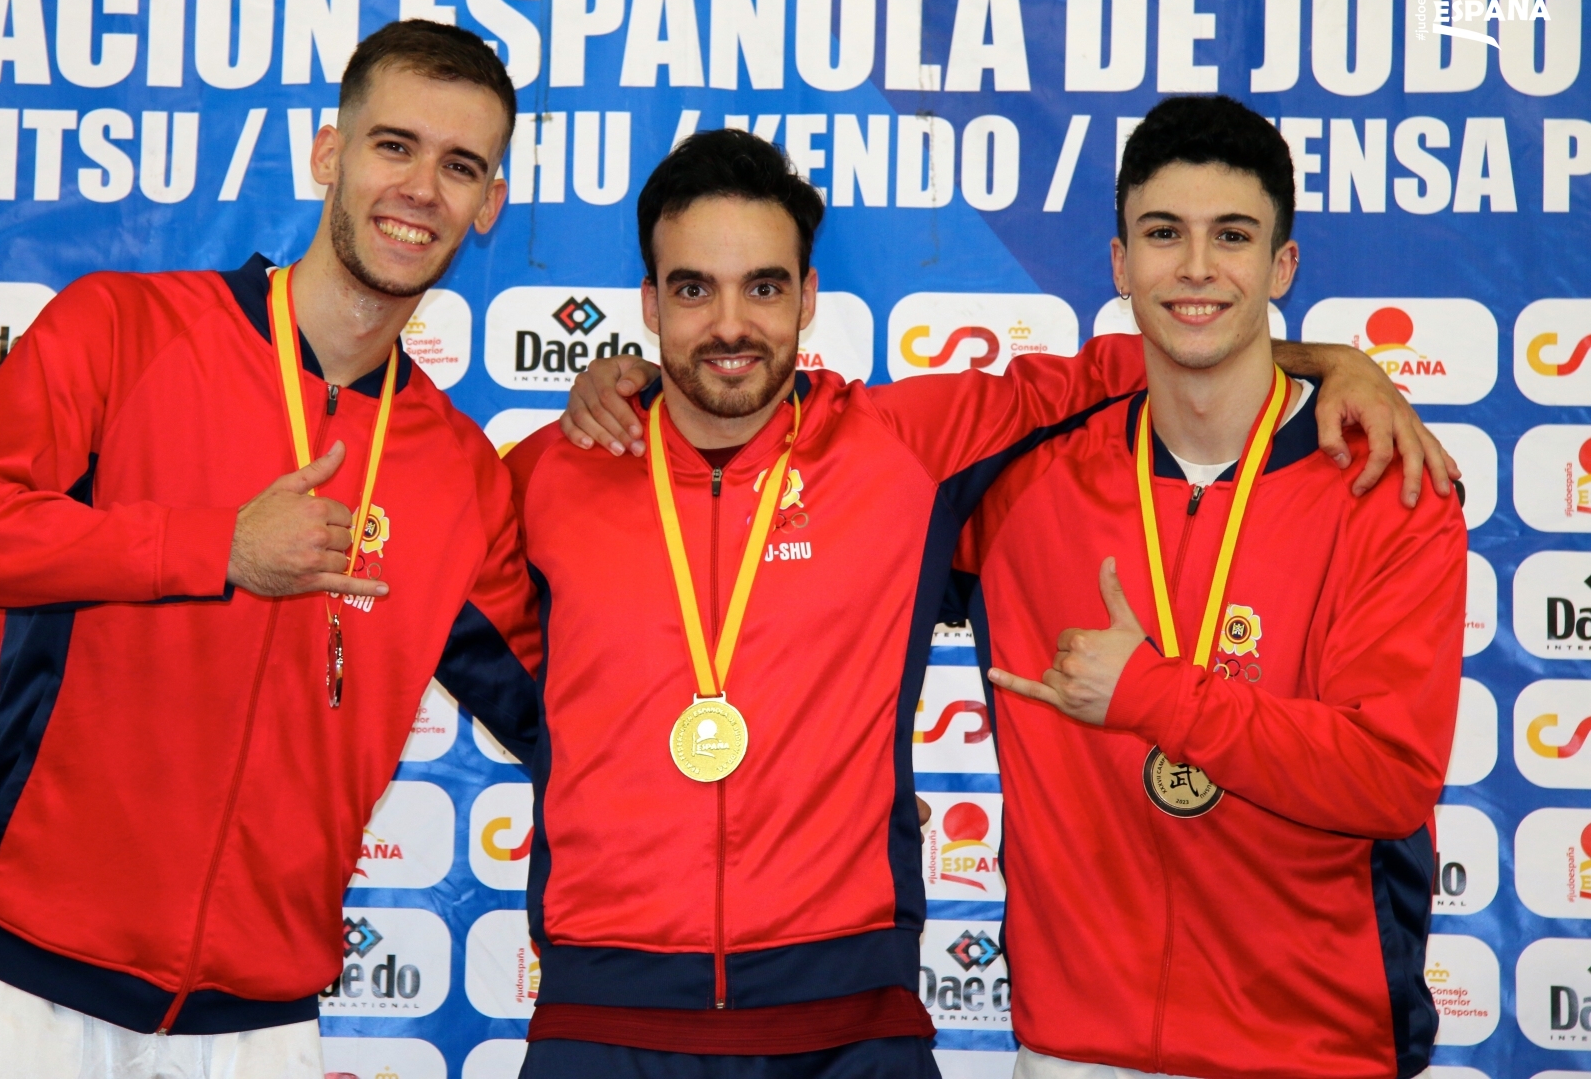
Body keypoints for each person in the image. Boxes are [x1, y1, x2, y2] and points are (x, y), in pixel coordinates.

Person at [515, 128, 1449, 1078]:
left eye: (762, 287)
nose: (728, 325)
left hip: (852, 1023)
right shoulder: (554, 470)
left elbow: (1177, 348)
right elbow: (503, 663)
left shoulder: (904, 453)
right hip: (604, 1014)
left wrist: (1335, 361)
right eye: (691, 290)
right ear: (648, 303)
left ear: (806, 296)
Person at [0, 20, 539, 1079]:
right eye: (395, 146)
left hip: (255, 1021)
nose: (422, 189)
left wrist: (647, 437)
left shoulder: (461, 475)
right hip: (16, 979)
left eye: (460, 167)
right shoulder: (125, 329)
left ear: (489, 205)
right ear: (329, 154)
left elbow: (568, 715)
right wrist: (214, 547)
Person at [954, 95, 1467, 1079]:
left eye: (1232, 236)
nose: (1195, 267)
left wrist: (1154, 696)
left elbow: (1388, 776)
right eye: (1163, 234)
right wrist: (643, 380)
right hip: (1076, 1054)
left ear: (1283, 265)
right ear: (1120, 264)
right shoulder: (1021, 479)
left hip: (1311, 1053)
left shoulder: (1387, 487)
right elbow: (796, 457)